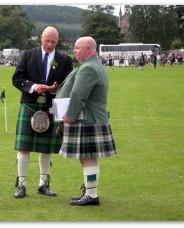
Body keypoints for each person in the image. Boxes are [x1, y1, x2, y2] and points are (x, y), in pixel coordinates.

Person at [12, 26, 73, 198]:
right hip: (30, 105)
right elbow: (16, 79)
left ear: (57, 41)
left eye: (53, 42)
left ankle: (43, 184)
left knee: (46, 149)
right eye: (47, 41)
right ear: (41, 38)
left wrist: (54, 89)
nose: (49, 44)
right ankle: (21, 185)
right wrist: (34, 87)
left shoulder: (65, 60)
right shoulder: (28, 55)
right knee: (24, 146)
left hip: (50, 107)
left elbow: (69, 85)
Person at [55, 36, 117, 206]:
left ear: (88, 49)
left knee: (88, 157)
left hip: (87, 120)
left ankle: (91, 194)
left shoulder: (89, 68)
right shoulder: (93, 65)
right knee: (86, 157)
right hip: (91, 118)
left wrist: (70, 115)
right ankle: (90, 191)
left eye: (77, 47)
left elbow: (78, 95)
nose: (74, 50)